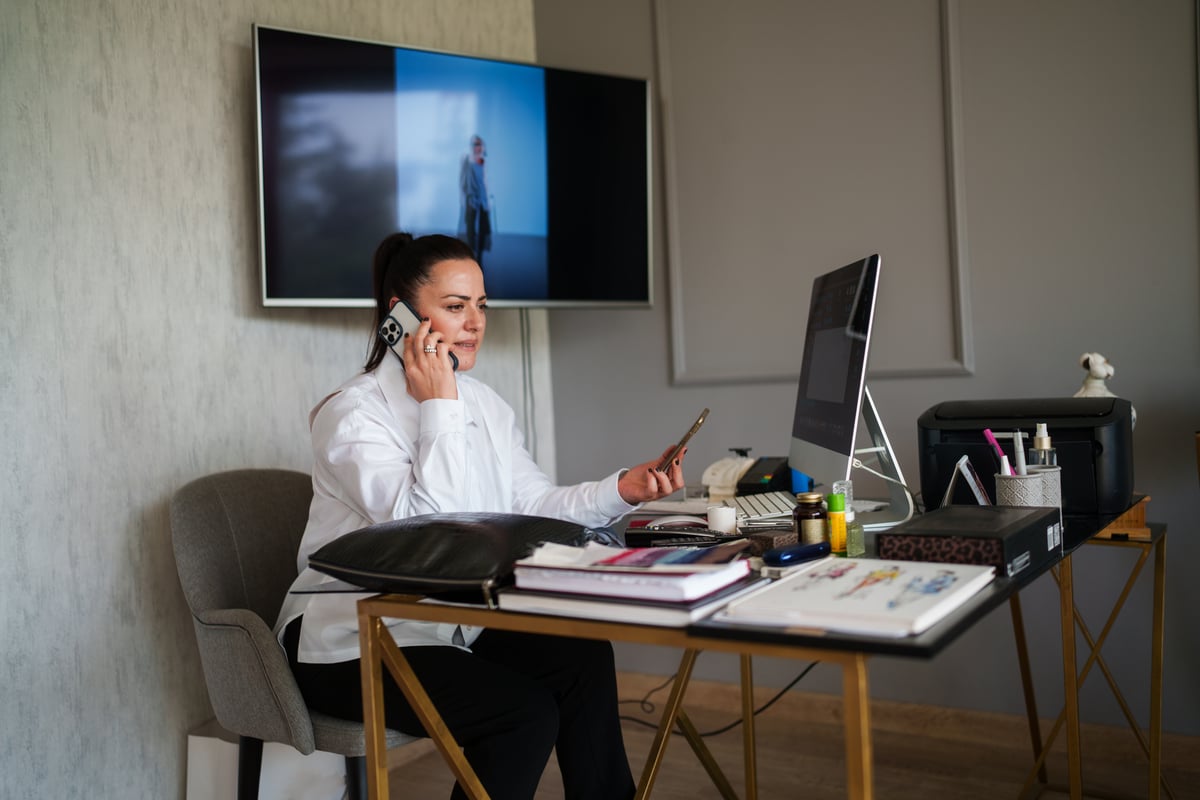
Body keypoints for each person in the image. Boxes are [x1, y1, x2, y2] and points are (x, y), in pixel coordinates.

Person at [275, 232, 687, 800]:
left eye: (481, 305)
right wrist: (438, 405)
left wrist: (623, 489)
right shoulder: (352, 415)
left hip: (447, 629)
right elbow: (423, 539)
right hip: (350, 643)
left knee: (583, 658)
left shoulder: (487, 406)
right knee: (522, 714)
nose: (474, 323)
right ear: (398, 314)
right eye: (454, 306)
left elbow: (533, 506)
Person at [459, 134, 491, 266]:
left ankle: (480, 254)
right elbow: (462, 180)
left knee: (483, 226)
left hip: (482, 197)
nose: (477, 147)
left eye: (479, 144)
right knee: (470, 225)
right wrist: (462, 198)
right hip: (471, 197)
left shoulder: (483, 161)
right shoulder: (466, 159)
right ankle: (470, 252)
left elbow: (485, 181)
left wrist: (488, 200)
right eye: (474, 144)